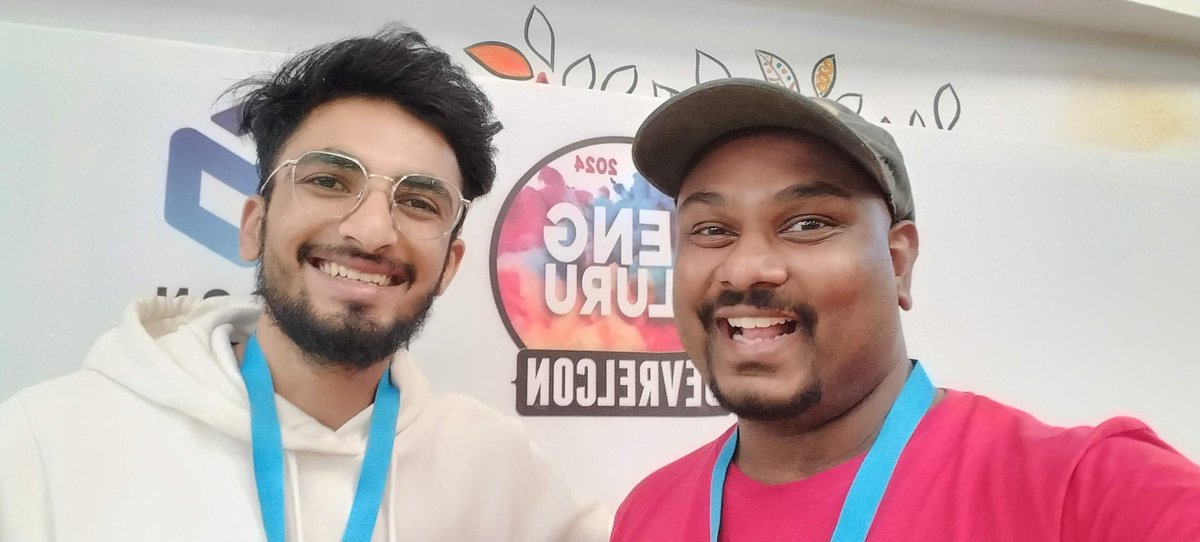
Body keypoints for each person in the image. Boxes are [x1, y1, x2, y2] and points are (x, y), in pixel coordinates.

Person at [0, 26, 607, 542]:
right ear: (254, 226)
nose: (372, 231)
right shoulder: (47, 443)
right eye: (329, 181)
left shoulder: (500, 471)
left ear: (449, 264)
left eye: (419, 201)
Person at [610, 78, 1200, 541]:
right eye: (711, 230)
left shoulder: (1086, 490)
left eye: (807, 223)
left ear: (897, 261)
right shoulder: (646, 512)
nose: (744, 269)